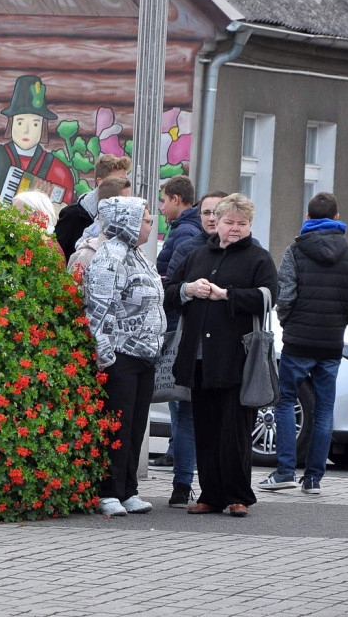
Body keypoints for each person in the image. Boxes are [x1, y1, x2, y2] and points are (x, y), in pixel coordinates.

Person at [165, 193, 278, 518]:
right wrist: (189, 290)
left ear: (249, 225)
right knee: (206, 427)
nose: (235, 229)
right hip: (199, 359)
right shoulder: (199, 254)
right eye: (230, 222)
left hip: (237, 358)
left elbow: (270, 296)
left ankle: (238, 495)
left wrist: (227, 295)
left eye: (242, 224)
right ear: (218, 223)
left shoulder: (258, 258)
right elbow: (170, 292)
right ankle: (211, 495)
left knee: (236, 430)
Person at [258, 192, 348, 495]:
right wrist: (341, 323)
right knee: (324, 409)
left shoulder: (295, 251)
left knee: (286, 402)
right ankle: (314, 479)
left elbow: (286, 295)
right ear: (337, 218)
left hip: (298, 342)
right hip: (331, 343)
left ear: (307, 218)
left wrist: (289, 322)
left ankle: (285, 472)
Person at [84, 197, 164, 517]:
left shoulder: (137, 254)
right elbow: (97, 309)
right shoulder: (110, 256)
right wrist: (105, 354)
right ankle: (108, 491)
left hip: (143, 354)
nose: (149, 224)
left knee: (134, 426)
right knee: (116, 425)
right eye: (145, 219)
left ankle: (128, 489)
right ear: (128, 221)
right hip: (120, 355)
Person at [159, 190, 227, 507]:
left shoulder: (244, 252)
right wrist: (187, 290)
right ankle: (182, 485)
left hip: (226, 349)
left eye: (217, 213)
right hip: (192, 344)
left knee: (222, 420)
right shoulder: (188, 248)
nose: (211, 219)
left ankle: (220, 487)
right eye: (206, 213)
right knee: (186, 416)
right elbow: (168, 292)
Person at [151, 176, 202, 473]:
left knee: (177, 393)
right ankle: (175, 450)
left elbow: (171, 279)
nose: (161, 207)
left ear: (176, 199)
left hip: (176, 321)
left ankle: (177, 454)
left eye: (164, 200)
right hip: (178, 319)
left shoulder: (183, 233)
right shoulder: (184, 229)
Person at [0, 74, 75, 206]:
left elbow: (64, 208)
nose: (27, 130)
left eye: (35, 124)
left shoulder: (59, 170)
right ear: (11, 123)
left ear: (43, 127)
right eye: (20, 122)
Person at [54, 154, 130, 258]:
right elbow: (57, 255)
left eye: (125, 181)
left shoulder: (125, 216)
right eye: (118, 181)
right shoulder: (72, 215)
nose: (124, 186)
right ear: (100, 182)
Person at [66, 176, 132, 273]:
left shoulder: (129, 242)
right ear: (108, 205)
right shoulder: (87, 252)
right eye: (126, 202)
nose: (132, 206)